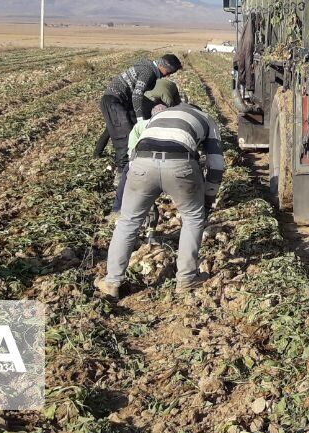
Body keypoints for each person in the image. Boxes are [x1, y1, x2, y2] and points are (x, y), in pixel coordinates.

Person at [95, 99, 225, 298]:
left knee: (128, 222)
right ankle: (186, 279)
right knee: (193, 219)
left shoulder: (159, 117)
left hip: (140, 163)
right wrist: (208, 200)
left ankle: (112, 282)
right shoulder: (207, 119)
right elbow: (216, 165)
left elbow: (136, 148)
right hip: (181, 166)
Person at [99, 53, 182, 212]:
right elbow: (137, 95)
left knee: (118, 131)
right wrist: (140, 120)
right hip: (114, 101)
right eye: (170, 72)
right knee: (125, 138)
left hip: (120, 103)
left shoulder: (147, 67)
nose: (170, 75)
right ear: (164, 67)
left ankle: (110, 161)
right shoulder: (149, 71)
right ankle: (122, 176)